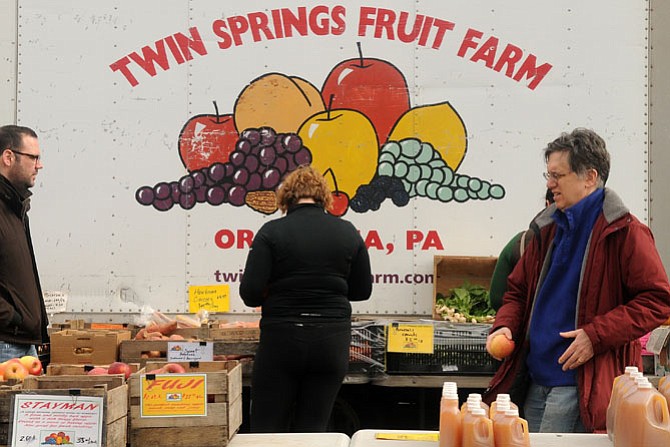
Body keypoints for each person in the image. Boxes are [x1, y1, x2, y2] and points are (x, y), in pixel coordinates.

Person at [484, 128, 670, 433]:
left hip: (578, 385)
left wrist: (594, 335)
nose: (549, 183)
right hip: (533, 381)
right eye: (548, 174)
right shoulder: (546, 231)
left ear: (589, 177)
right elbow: (517, 291)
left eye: (558, 175)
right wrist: (505, 324)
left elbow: (657, 301)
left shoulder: (626, 233)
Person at [239, 165, 373, 433]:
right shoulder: (348, 232)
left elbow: (249, 292)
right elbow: (361, 291)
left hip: (282, 340)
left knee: (268, 428)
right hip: (330, 342)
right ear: (324, 198)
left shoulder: (271, 232)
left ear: (285, 199)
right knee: (314, 427)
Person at [0, 125, 49, 362]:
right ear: (8, 157)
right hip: (5, 343)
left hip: (21, 343)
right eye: (33, 157)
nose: (39, 165)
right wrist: (13, 319)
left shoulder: (16, 207)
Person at [489, 189, 554, 311]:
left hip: (525, 323)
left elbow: (497, 298)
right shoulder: (589, 240)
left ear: (547, 204)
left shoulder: (520, 242)